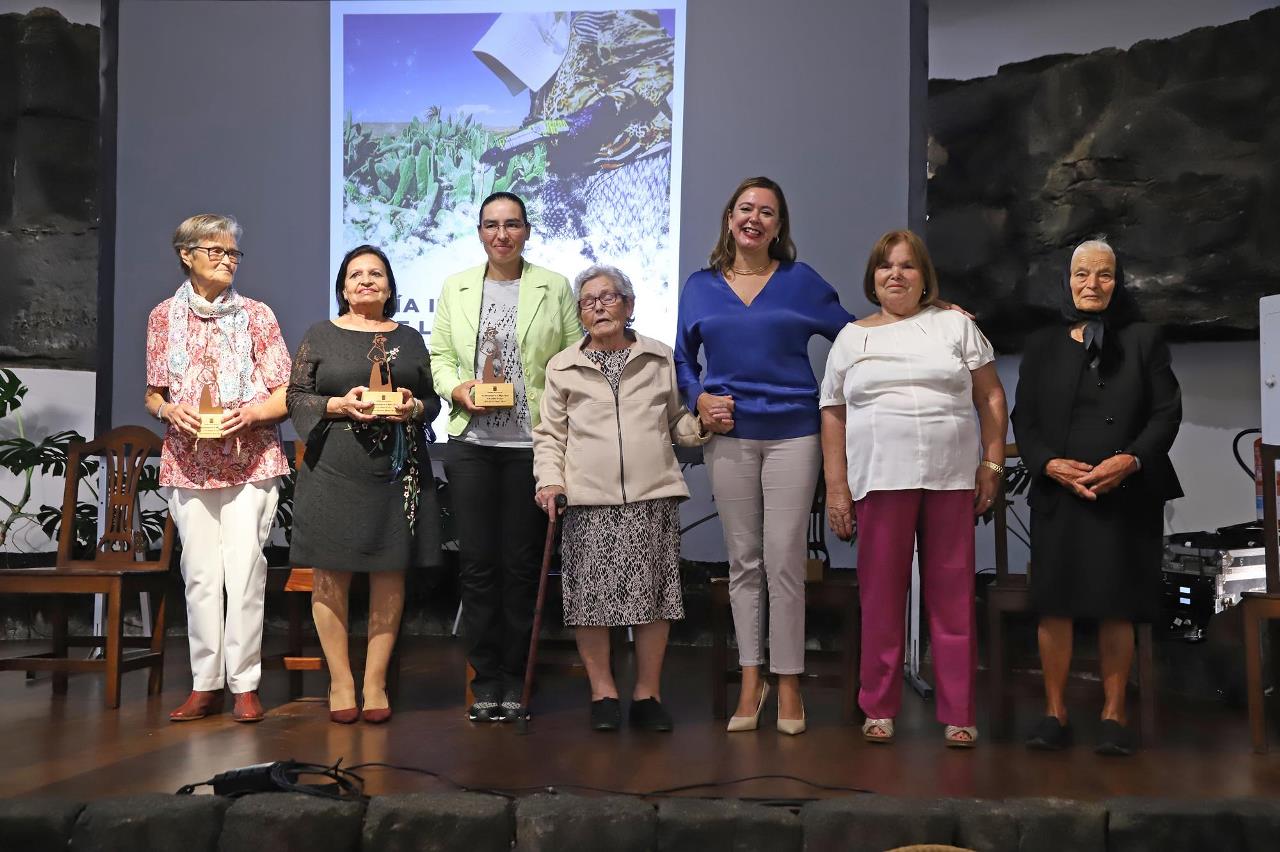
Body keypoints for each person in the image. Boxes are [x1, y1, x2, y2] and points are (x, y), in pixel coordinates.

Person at [674, 176, 853, 734]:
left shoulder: (802, 283)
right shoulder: (700, 286)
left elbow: (855, 338)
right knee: (743, 562)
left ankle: (790, 680)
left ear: (779, 227)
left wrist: (928, 311)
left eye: (767, 212)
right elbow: (684, 358)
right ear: (729, 218)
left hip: (794, 436)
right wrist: (699, 397)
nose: (755, 218)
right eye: (745, 209)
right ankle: (752, 679)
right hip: (730, 438)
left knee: (784, 561)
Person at [820, 229, 1007, 748]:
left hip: (951, 478)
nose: (895, 274)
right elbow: (832, 415)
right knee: (881, 599)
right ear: (872, 278)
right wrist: (837, 488)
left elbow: (990, 396)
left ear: (925, 277)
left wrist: (992, 464)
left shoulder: (955, 325)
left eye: (907, 266)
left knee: (952, 599)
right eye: (885, 266)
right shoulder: (851, 337)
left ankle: (959, 711)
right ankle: (878, 706)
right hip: (879, 480)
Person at [1012, 238, 1182, 756]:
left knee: (1117, 605)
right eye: (1082, 274)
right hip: (1061, 491)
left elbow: (1166, 413)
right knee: (1055, 605)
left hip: (1124, 490)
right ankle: (1055, 711)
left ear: (1118, 281)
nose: (1092, 284)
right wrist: (1047, 463)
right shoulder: (1042, 344)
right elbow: (1026, 417)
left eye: (1104, 275)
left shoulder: (1144, 339)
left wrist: (1130, 460)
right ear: (1067, 280)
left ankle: (1113, 713)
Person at [533, 265, 710, 732]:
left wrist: (705, 425)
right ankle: (602, 693)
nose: (599, 307)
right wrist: (549, 482)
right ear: (579, 313)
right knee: (590, 600)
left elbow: (677, 423)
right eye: (588, 301)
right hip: (589, 500)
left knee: (654, 599)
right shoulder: (562, 365)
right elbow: (550, 435)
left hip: (652, 496)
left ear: (629, 306)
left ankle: (648, 695)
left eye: (609, 298)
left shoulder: (658, 358)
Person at [430, 191, 581, 722]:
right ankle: (485, 677)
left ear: (527, 231)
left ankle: (517, 677)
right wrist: (457, 389)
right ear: (478, 232)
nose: (502, 234)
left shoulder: (554, 286)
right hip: (471, 444)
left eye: (512, 224)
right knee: (476, 565)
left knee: (520, 566)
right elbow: (441, 356)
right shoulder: (457, 287)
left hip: (530, 446)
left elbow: (570, 357)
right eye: (491, 225)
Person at [144, 213, 291, 723]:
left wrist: (249, 414)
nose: (228, 261)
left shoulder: (257, 315)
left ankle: (245, 684)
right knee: (200, 577)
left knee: (245, 572)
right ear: (186, 254)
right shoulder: (163, 316)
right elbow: (153, 393)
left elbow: (283, 395)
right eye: (217, 252)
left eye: (233, 254)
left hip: (250, 459)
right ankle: (205, 683)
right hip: (188, 462)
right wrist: (168, 411)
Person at [287, 245, 441, 724]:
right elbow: (296, 396)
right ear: (344, 287)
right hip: (333, 469)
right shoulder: (320, 334)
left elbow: (432, 402)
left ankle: (374, 681)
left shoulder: (411, 338)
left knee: (390, 572)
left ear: (391, 287)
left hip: (396, 473)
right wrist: (337, 405)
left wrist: (414, 407)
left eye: (376, 274)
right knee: (330, 574)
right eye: (356, 274)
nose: (366, 281)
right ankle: (340, 681)